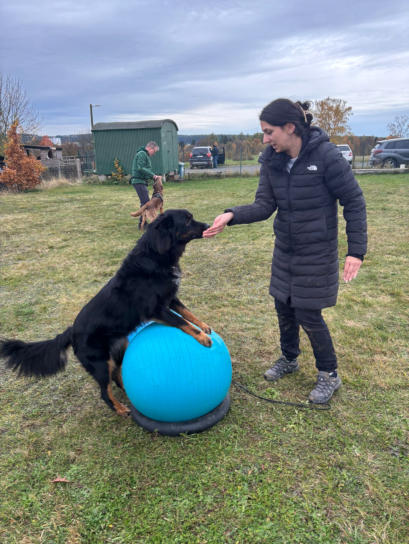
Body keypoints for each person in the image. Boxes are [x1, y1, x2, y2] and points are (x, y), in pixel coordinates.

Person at [203, 98, 367, 404]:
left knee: (308, 313)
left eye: (269, 132)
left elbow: (354, 201)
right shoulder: (272, 161)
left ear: (290, 127)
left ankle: (329, 374)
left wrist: (355, 251)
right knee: (284, 306)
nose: (265, 139)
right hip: (285, 250)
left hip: (316, 252)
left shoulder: (326, 156)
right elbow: (265, 205)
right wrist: (231, 215)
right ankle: (289, 358)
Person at [130, 141, 162, 229]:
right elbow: (140, 168)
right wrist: (153, 175)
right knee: (146, 203)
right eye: (154, 151)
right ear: (150, 148)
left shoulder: (144, 155)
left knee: (145, 202)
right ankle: (143, 224)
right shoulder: (142, 154)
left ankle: (143, 223)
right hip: (138, 181)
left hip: (141, 181)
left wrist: (153, 177)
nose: (154, 153)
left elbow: (145, 170)